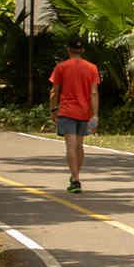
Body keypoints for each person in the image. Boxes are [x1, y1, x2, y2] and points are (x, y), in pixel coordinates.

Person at [49, 37, 100, 193]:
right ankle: (75, 176)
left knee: (70, 146)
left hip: (67, 111)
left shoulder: (61, 67)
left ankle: (75, 179)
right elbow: (94, 93)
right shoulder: (92, 68)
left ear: (68, 49)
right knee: (79, 146)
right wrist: (95, 115)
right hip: (84, 111)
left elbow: (54, 92)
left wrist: (53, 110)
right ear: (82, 50)